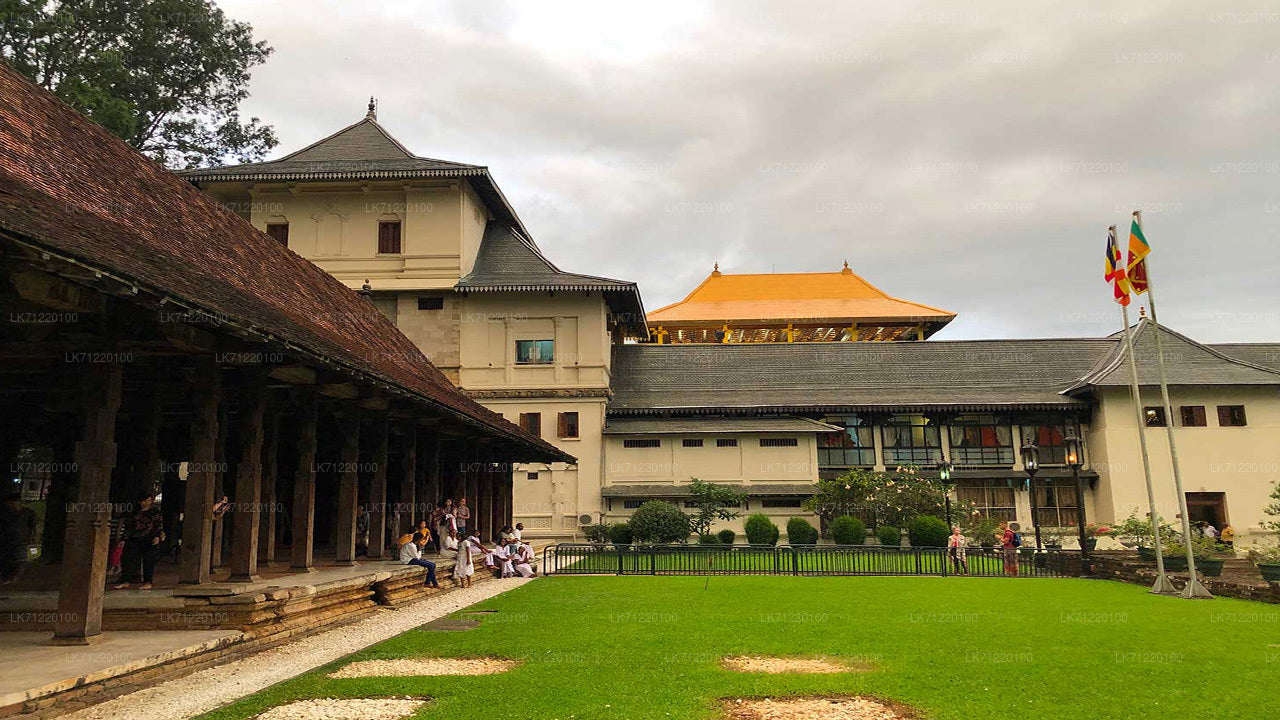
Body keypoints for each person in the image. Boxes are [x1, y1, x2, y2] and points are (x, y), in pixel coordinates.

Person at [114, 494, 165, 590]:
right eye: (144, 501)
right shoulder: (134, 512)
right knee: (128, 559)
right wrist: (124, 539)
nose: (146, 503)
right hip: (134, 538)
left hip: (150, 538)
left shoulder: (154, 512)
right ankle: (125, 580)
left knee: (148, 561)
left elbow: (158, 525)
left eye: (149, 501)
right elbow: (129, 526)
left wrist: (157, 536)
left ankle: (148, 582)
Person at [0, 493, 36, 583]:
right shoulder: (5, 514)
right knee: (7, 561)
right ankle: (7, 579)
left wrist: (32, 537)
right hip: (7, 542)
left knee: (20, 561)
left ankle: (15, 579)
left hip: (21, 542)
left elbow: (32, 526)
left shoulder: (28, 513)